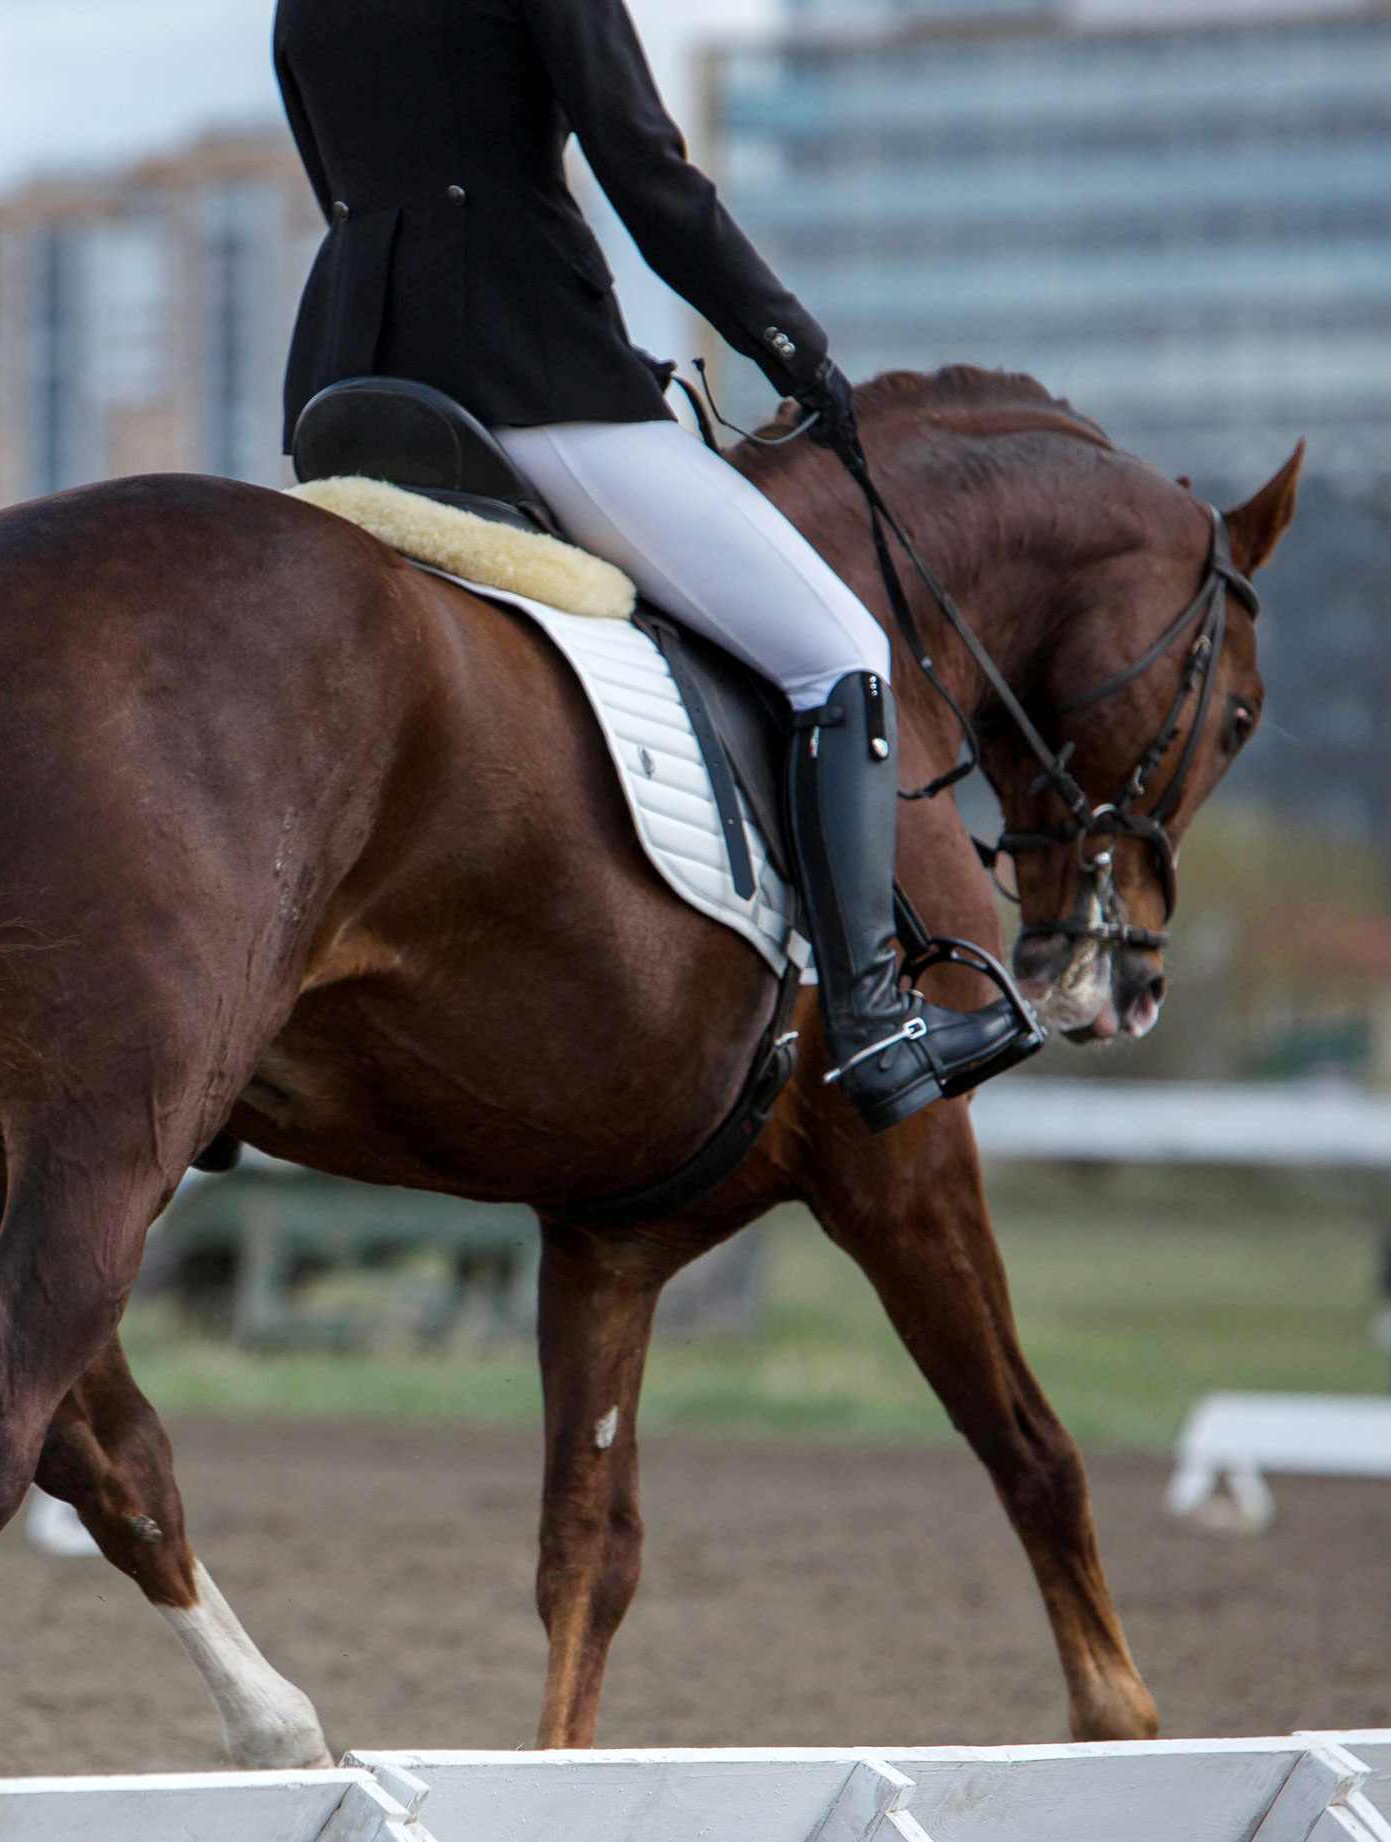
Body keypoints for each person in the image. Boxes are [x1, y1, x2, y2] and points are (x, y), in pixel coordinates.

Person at [274, 0, 1037, 1133]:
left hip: (349, 392)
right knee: (840, 656)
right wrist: (788, 342)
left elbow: (347, 177)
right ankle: (877, 1020)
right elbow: (645, 168)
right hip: (524, 383)